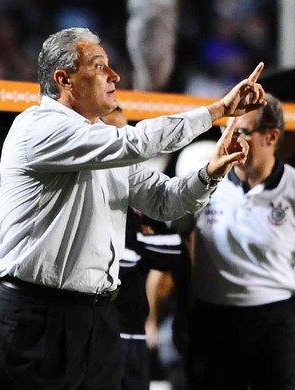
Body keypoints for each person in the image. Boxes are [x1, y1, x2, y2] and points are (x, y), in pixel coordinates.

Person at [0, 26, 265, 390]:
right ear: (63, 79)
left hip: (99, 316)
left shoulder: (102, 139)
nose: (114, 75)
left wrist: (211, 173)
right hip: (41, 315)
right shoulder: (38, 128)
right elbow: (135, 142)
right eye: (99, 66)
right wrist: (218, 111)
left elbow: (164, 201)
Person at [177, 94, 295, 390]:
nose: (231, 138)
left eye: (242, 132)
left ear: (271, 137)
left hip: (273, 322)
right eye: (229, 129)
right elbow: (177, 239)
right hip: (212, 319)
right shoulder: (207, 181)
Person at [101, 107, 190, 390]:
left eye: (126, 134)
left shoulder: (139, 193)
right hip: (95, 336)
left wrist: (135, 241)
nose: (123, 143)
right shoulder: (81, 193)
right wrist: (137, 241)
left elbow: (174, 250)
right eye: (113, 135)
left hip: (134, 336)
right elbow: (120, 256)